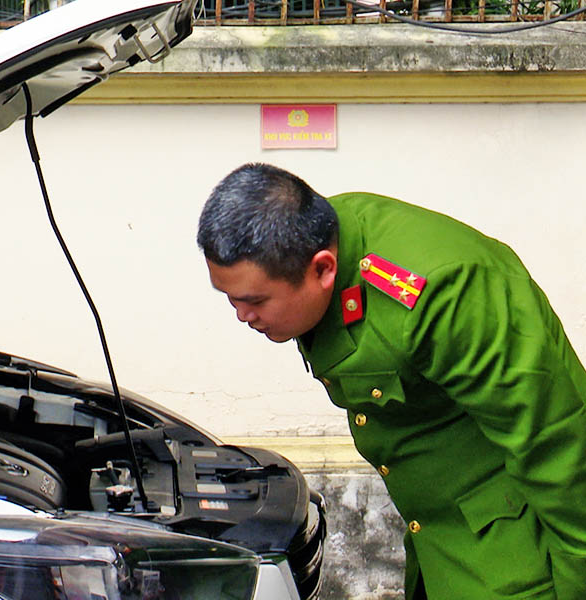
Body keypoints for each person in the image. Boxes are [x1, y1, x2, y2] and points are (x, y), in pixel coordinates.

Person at [196, 163, 586, 600]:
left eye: (254, 301)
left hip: (516, 551)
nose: (242, 316)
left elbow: (559, 450)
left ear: (323, 269)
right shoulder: (307, 237)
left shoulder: (446, 293)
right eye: (230, 299)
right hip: (435, 541)